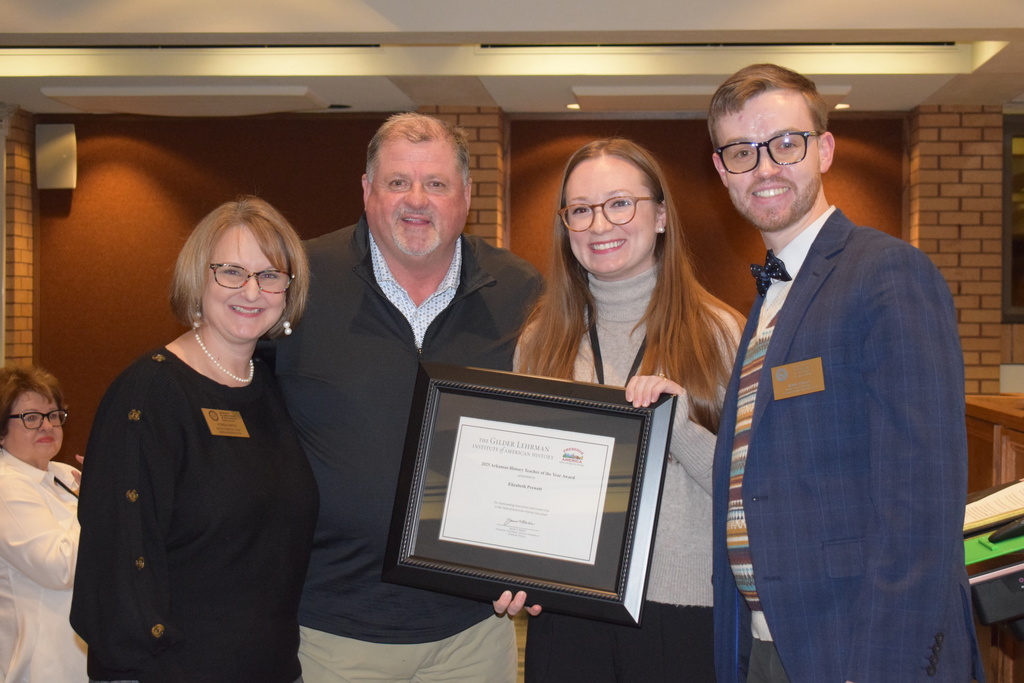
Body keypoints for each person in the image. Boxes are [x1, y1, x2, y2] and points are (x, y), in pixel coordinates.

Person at [707, 63, 984, 682]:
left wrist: (881, 666)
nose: (766, 167)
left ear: (823, 150)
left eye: (785, 143)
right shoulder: (772, 295)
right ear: (722, 170)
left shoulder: (888, 275)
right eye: (741, 151)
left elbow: (921, 499)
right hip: (772, 641)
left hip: (856, 647)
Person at [273, 112, 542, 683]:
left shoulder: (520, 291)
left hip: (474, 631)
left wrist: (537, 559)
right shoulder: (299, 281)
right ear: (367, 190)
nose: (415, 200)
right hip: (329, 630)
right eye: (397, 182)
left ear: (466, 195)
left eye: (436, 184)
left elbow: (549, 432)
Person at [495, 137, 741, 682]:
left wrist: (676, 427)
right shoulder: (539, 340)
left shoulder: (718, 333)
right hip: (567, 611)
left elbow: (750, 489)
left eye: (619, 204)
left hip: (683, 613)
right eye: (580, 210)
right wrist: (507, 563)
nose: (600, 225)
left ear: (659, 216)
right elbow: (522, 480)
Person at [70, 196, 319, 683]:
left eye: (270, 275)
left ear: (288, 291)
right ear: (197, 278)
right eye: (231, 271)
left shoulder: (270, 389)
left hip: (272, 668)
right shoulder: (147, 395)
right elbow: (118, 565)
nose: (251, 290)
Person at [0, 365, 86, 682]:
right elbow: (59, 567)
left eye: (53, 415)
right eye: (31, 417)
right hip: (43, 664)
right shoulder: (5, 486)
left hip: (81, 650)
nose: (47, 425)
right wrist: (100, 504)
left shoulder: (61, 474)